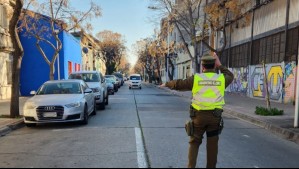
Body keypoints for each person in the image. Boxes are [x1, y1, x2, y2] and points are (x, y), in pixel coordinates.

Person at [161, 53, 234, 168]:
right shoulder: (221, 79)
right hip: (215, 117)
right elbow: (230, 75)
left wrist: (166, 84)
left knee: (194, 143)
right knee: (212, 146)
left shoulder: (196, 79)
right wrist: (220, 64)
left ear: (202, 67)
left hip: (198, 117)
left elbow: (180, 84)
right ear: (214, 65)